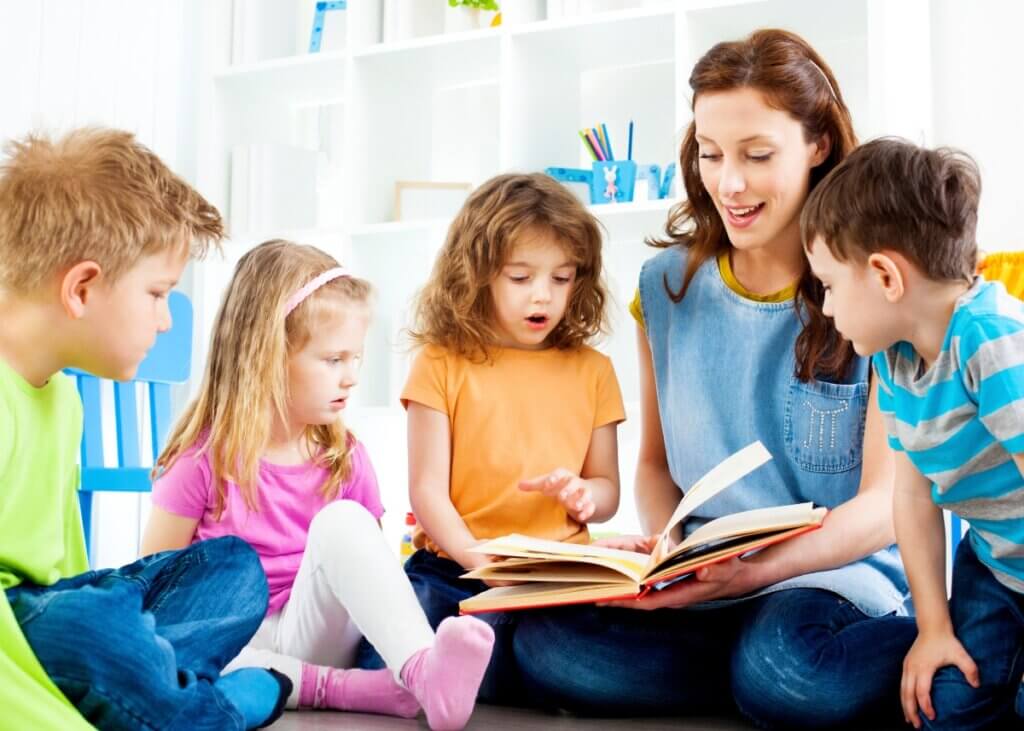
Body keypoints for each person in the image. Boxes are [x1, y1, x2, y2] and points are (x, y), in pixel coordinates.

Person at [513, 30, 915, 729]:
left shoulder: (872, 287)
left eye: (757, 155)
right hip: (709, 579)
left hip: (836, 575)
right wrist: (667, 545)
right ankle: (756, 677)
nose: (728, 183)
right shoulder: (663, 288)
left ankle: (937, 650)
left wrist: (758, 571)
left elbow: (884, 505)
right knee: (550, 645)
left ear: (818, 144)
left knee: (785, 670)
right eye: (709, 153)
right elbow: (655, 467)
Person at [0, 128, 291, 730]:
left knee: (232, 569)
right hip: (30, 632)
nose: (165, 321)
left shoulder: (61, 399)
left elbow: (69, 574)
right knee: (93, 626)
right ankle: (213, 706)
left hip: (62, 624)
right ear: (81, 287)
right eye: (158, 294)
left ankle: (152, 691)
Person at [142, 239, 494, 731]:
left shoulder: (344, 459)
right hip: (235, 644)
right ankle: (341, 689)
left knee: (345, 521)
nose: (351, 378)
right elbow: (154, 589)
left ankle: (422, 669)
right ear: (266, 357)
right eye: (333, 360)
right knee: (172, 642)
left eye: (355, 358)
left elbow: (368, 575)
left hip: (314, 632)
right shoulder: (202, 460)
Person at [359, 172, 625, 702]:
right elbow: (427, 491)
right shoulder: (441, 361)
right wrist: (483, 564)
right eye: (520, 277)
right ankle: (503, 667)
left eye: (562, 278)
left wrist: (584, 496)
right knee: (378, 657)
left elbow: (607, 490)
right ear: (477, 275)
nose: (543, 296)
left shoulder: (593, 370)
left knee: (562, 651)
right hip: (454, 569)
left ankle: (496, 667)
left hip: (554, 579)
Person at [802, 137, 1024, 730]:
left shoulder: (992, 341)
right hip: (997, 568)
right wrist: (932, 629)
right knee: (945, 709)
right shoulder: (892, 361)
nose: (825, 308)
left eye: (827, 285)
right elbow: (914, 494)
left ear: (884, 276)